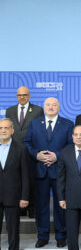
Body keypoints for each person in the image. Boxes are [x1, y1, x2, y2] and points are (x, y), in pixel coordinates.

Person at [24, 97, 74, 248]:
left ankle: (61, 236)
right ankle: (43, 236)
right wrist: (37, 155)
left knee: (61, 206)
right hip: (40, 171)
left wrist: (57, 155)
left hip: (59, 172)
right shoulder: (34, 123)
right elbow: (27, 143)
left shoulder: (67, 124)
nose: (51, 107)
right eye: (48, 105)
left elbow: (72, 144)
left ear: (59, 107)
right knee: (41, 206)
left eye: (54, 105)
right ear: (43, 107)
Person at [6, 86, 44, 218]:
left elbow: (40, 130)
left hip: (30, 150)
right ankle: (20, 208)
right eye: (19, 95)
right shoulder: (9, 110)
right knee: (17, 179)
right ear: (17, 96)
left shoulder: (38, 110)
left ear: (29, 96)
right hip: (14, 151)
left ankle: (32, 208)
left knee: (31, 180)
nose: (22, 97)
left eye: (24, 95)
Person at [0, 118, 30, 250]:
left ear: (12, 130)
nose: (3, 130)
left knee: (13, 230)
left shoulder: (21, 149)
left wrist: (24, 196)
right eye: (1, 128)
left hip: (13, 195)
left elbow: (25, 175)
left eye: (6, 128)